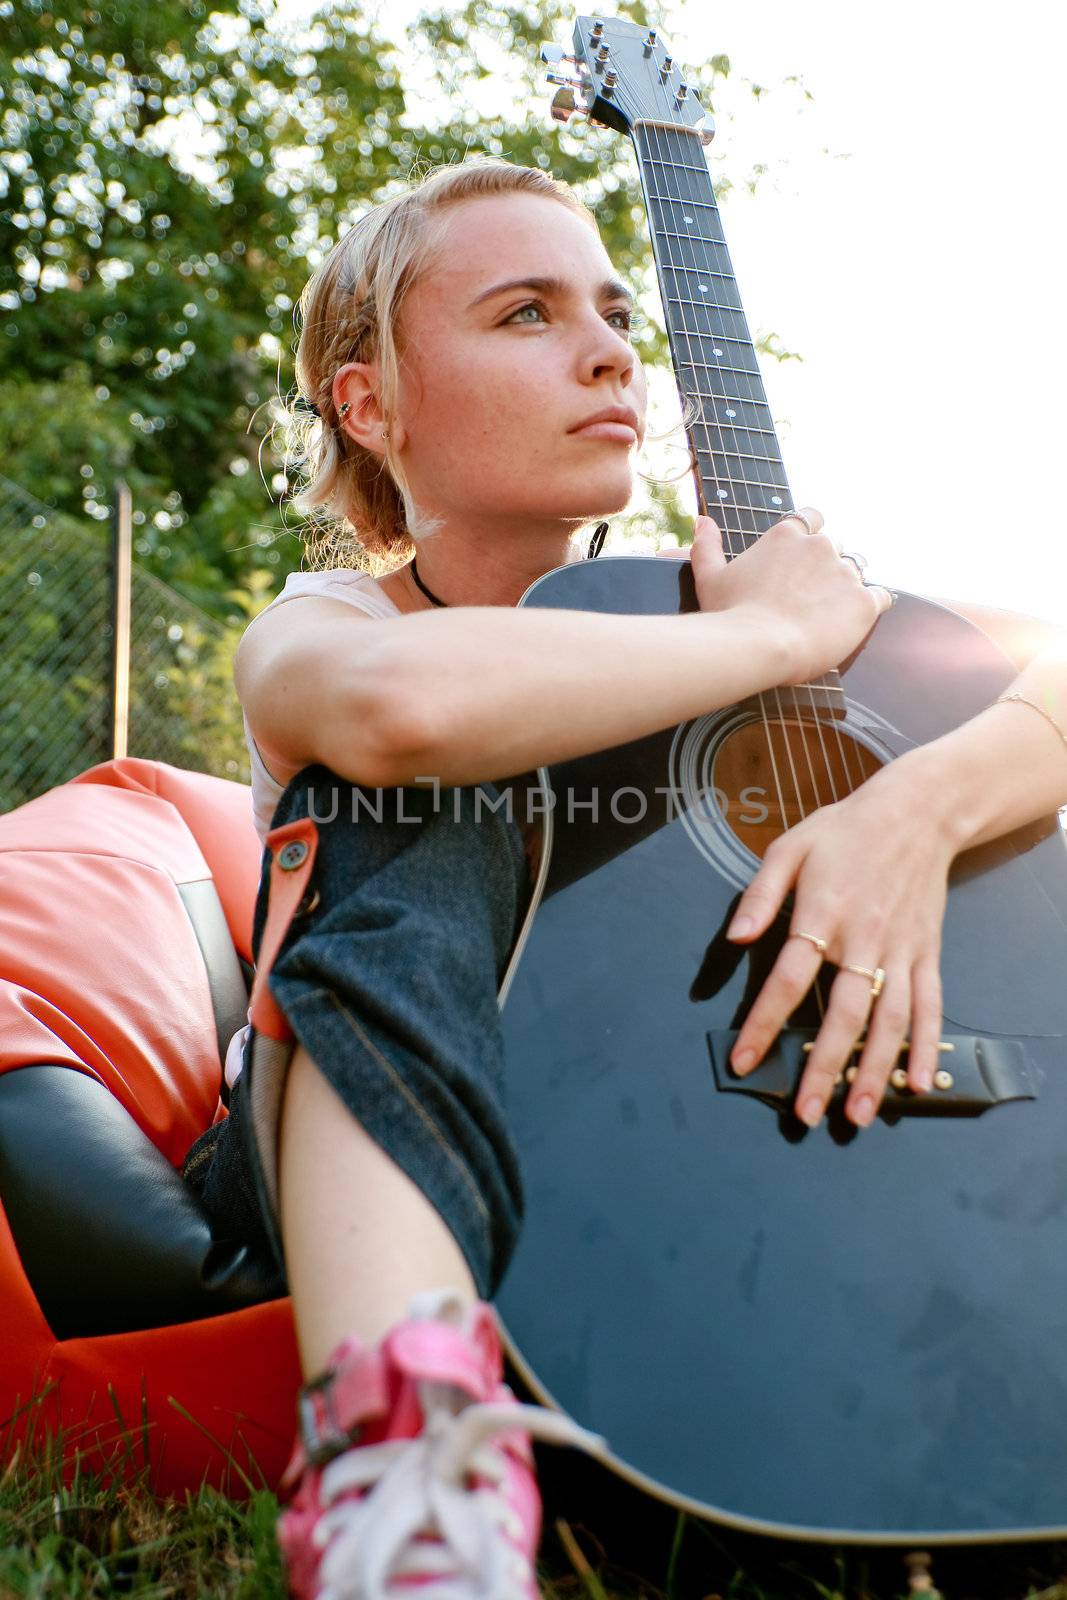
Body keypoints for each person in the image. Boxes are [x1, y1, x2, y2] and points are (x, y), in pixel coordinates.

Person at [193, 158, 1067, 1598]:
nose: (608, 349)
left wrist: (913, 808)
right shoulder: (327, 623)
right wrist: (779, 641)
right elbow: (402, 717)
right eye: (526, 313)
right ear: (371, 405)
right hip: (353, 1134)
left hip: (678, 1133)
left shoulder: (728, 601)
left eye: (612, 309)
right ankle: (404, 1478)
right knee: (429, 798)